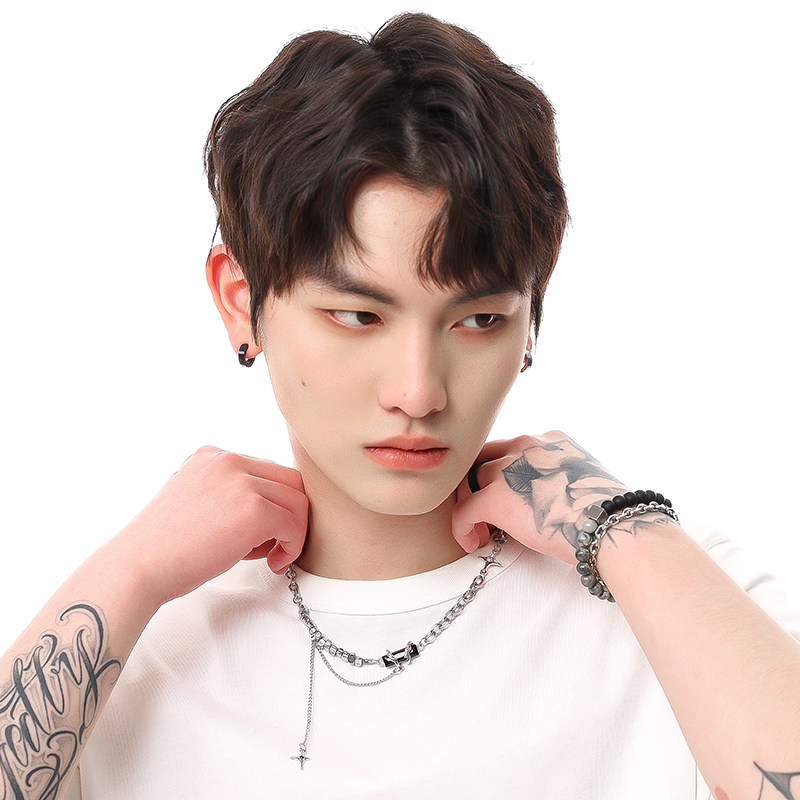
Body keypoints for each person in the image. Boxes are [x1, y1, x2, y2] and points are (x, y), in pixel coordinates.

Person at [1, 12, 799, 800]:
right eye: (358, 316)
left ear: (531, 315)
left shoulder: (676, 600)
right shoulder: (128, 650)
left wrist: (624, 534)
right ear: (241, 301)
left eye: (479, 320)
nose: (418, 391)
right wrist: (131, 571)